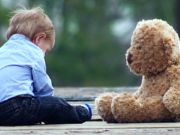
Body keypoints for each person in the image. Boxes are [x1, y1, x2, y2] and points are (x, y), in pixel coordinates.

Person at [0, 7, 92, 125]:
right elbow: (43, 87)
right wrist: (47, 103)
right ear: (39, 39)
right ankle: (83, 112)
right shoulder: (33, 51)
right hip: (17, 108)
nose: (44, 55)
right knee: (57, 105)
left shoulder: (3, 51)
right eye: (46, 51)